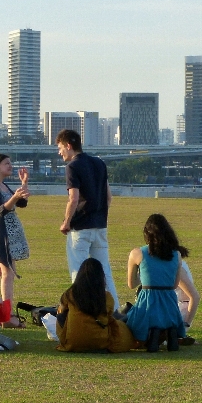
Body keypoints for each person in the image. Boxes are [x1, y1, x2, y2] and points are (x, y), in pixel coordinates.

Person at [56, 128, 120, 310]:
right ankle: (114, 311)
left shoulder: (72, 167)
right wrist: (100, 216)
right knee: (104, 271)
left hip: (81, 228)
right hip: (100, 226)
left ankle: (82, 311)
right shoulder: (99, 163)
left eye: (60, 147)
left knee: (78, 271)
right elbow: (108, 197)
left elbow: (74, 198)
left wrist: (66, 221)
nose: (59, 152)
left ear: (69, 146)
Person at [0, 153, 31, 328]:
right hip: (2, 235)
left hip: (9, 234)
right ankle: (6, 317)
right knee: (7, 274)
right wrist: (16, 197)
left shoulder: (2, 185)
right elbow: (1, 210)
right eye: (6, 163)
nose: (10, 166)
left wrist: (23, 184)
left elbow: (21, 204)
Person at [125, 214, 187, 352]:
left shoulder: (137, 253)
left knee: (129, 319)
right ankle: (170, 333)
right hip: (169, 304)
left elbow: (131, 284)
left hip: (147, 301)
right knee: (165, 315)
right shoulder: (176, 255)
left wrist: (146, 277)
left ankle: (152, 335)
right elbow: (174, 285)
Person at [55, 258, 136, 353]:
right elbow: (109, 316)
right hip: (100, 341)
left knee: (61, 313)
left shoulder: (70, 294)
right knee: (122, 328)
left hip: (73, 342)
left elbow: (61, 312)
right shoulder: (106, 296)